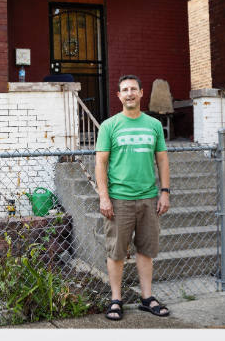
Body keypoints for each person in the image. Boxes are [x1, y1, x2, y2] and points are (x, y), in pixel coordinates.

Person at [95, 74, 171, 320]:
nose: (129, 93)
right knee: (116, 252)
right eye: (124, 90)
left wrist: (165, 192)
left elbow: (162, 160)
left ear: (141, 93)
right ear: (118, 96)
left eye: (133, 89)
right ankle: (115, 299)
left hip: (149, 198)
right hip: (119, 199)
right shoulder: (109, 126)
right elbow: (100, 163)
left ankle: (147, 298)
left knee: (146, 251)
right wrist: (104, 197)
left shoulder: (154, 125)